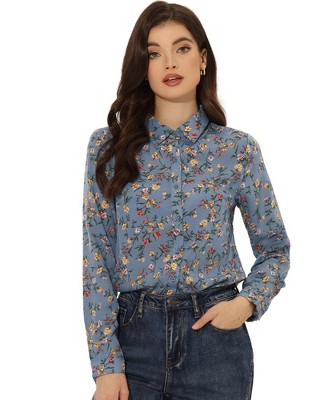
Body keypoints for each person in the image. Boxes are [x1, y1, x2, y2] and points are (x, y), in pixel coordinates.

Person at [82, 1, 290, 399]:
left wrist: (246, 303)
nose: (169, 63)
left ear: (203, 60)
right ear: (142, 67)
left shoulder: (237, 150)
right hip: (134, 343)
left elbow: (275, 249)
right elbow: (97, 259)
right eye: (154, 53)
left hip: (215, 345)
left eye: (181, 48)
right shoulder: (108, 148)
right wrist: (105, 365)